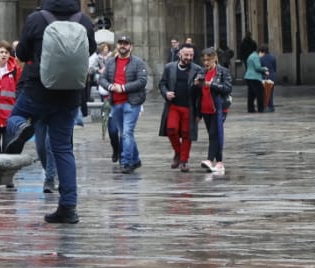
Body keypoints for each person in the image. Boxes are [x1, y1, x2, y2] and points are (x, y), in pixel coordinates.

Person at [2, 0, 96, 224]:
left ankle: (22, 128)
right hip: (70, 93)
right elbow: (91, 50)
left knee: (15, 116)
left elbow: (21, 53)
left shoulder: (36, 19)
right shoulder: (84, 21)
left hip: (38, 89)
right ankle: (68, 207)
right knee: (63, 149)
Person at [96, 35, 149, 174]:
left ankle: (126, 162)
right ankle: (136, 160)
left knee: (126, 133)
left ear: (131, 46)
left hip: (132, 103)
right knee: (125, 133)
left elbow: (142, 81)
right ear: (117, 46)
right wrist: (110, 86)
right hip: (116, 103)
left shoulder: (138, 62)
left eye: (126, 44)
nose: (123, 46)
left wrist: (124, 88)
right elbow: (102, 78)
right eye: (120, 43)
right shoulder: (111, 62)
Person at [157, 43, 205, 171]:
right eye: (186, 55)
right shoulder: (169, 67)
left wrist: (197, 85)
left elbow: (201, 92)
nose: (189, 57)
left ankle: (184, 161)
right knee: (171, 129)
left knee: (186, 134)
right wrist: (166, 93)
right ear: (180, 54)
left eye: (191, 55)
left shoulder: (198, 69)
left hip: (189, 107)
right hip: (173, 105)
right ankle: (178, 152)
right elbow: (162, 84)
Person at [199, 48, 232, 175]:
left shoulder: (223, 72)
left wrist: (211, 85)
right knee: (214, 134)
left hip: (218, 108)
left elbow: (227, 88)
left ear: (215, 59)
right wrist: (196, 83)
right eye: (204, 60)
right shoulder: (202, 71)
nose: (206, 62)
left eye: (209, 59)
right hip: (205, 108)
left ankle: (209, 160)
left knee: (214, 133)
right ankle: (219, 162)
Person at [244, 45, 267, 113]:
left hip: (248, 77)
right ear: (261, 52)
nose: (263, 56)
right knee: (260, 93)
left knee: (251, 94)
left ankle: (250, 109)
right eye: (263, 54)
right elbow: (257, 67)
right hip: (255, 77)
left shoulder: (251, 55)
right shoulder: (256, 57)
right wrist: (264, 69)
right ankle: (261, 108)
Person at [260, 47, 279, 111]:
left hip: (265, 76)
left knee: (265, 92)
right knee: (271, 91)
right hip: (272, 76)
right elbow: (274, 67)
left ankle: (267, 106)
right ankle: (271, 106)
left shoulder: (261, 58)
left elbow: (261, 68)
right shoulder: (272, 57)